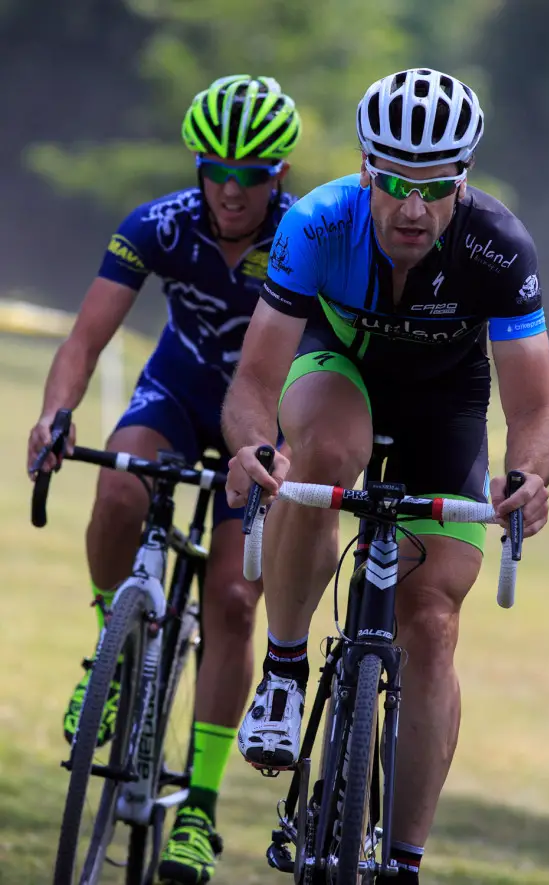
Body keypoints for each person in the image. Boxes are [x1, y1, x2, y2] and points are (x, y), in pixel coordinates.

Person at [222, 68, 549, 882]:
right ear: (367, 171)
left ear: (463, 178)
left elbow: (537, 414)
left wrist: (528, 475)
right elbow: (254, 385)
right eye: (396, 183)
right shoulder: (316, 223)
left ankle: (404, 860)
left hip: (447, 402)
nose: (414, 208)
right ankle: (285, 667)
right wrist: (250, 446)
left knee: (433, 621)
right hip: (340, 370)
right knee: (329, 455)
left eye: (436, 185)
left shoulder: (498, 246)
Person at [27, 74, 301, 885]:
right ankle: (108, 651)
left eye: (252, 174)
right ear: (198, 167)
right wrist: (55, 415)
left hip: (265, 417)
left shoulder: (305, 238)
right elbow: (83, 340)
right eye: (216, 168)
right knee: (117, 486)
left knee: (235, 599)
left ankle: (202, 811)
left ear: (277, 176)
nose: (231, 188)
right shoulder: (158, 225)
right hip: (178, 392)